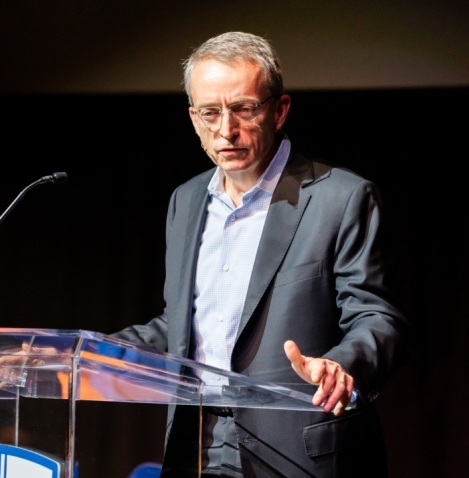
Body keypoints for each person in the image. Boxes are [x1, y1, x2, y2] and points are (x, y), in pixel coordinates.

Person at [111, 31, 409, 477]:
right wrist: (90, 352)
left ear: (280, 110)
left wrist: (342, 364)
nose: (226, 130)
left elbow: (377, 317)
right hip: (197, 444)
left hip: (297, 449)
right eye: (210, 113)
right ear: (193, 118)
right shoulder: (186, 201)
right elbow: (184, 326)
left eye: (244, 109)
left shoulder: (342, 198)